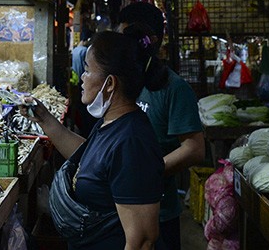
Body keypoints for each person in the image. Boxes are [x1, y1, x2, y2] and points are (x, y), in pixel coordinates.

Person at [23, 27, 165, 250]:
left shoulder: (132, 143)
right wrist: (44, 118)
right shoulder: (112, 122)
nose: (82, 77)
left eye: (88, 70)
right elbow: (92, 159)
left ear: (110, 83)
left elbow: (142, 240)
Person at [116, 2, 206, 250]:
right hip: (119, 211)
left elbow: (195, 148)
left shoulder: (174, 88)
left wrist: (148, 173)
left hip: (160, 212)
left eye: (127, 37)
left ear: (149, 41)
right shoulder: (121, 81)